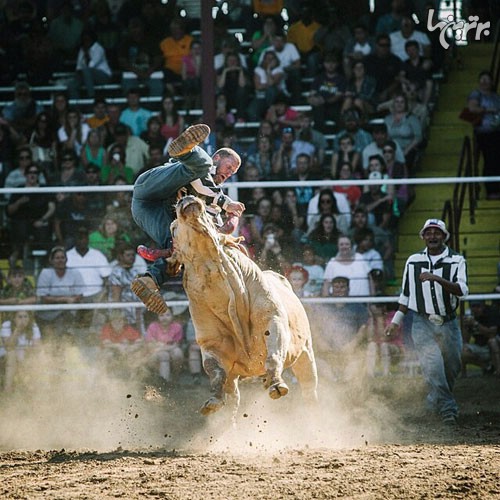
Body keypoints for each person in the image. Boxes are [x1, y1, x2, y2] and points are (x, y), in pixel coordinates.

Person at [130, 124, 245, 314]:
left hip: (148, 211)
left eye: (233, 172)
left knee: (181, 246)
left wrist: (227, 226)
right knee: (201, 166)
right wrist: (228, 205)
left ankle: (149, 281)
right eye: (229, 166)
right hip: (150, 188)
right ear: (218, 157)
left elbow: (212, 228)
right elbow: (201, 186)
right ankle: (186, 150)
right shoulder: (209, 174)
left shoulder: (215, 198)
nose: (229, 173)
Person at [385, 219, 468, 425]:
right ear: (423, 236)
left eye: (437, 233)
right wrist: (396, 322)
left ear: (444, 237)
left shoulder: (457, 261)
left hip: (448, 322)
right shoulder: (413, 261)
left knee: (452, 367)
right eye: (428, 233)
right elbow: (406, 295)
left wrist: (436, 278)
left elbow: (462, 290)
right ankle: (449, 409)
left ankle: (433, 400)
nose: (432, 236)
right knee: (433, 366)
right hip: (422, 322)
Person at [313, 275, 370, 382]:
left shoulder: (358, 306)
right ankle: (334, 383)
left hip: (350, 351)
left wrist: (352, 344)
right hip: (326, 352)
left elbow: (363, 328)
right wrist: (321, 343)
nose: (339, 290)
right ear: (332, 288)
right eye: (336, 287)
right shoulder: (323, 306)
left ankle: (345, 384)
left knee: (357, 362)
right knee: (316, 362)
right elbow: (314, 326)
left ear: (348, 289)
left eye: (343, 287)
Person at [35, 245, 85, 342]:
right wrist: (65, 299)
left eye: (62, 257)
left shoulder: (74, 272)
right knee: (49, 339)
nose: (60, 260)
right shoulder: (46, 273)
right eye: (57, 258)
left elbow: (80, 294)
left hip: (66, 312)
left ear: (66, 259)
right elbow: (44, 298)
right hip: (46, 314)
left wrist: (73, 299)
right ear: (52, 260)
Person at [465, 70, 500, 199]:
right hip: (484, 133)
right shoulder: (476, 94)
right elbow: (472, 109)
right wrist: (489, 110)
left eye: (487, 79)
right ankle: (491, 191)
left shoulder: (496, 97)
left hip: (496, 131)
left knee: (497, 161)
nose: (484, 82)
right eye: (482, 79)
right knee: (490, 161)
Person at [0, 310, 41, 392]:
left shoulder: (33, 326)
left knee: (37, 357)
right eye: (20, 317)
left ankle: (34, 389)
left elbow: (37, 347)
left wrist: (28, 353)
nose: (23, 319)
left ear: (29, 318)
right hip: (7, 356)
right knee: (12, 355)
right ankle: (7, 388)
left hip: (25, 355)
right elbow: (9, 347)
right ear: (14, 318)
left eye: (25, 316)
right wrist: (17, 330)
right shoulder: (7, 325)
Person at [66, 29, 112, 100]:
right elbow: (78, 67)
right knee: (71, 85)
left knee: (86, 70)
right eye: (84, 40)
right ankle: (75, 107)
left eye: (88, 39)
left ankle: (91, 97)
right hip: (86, 77)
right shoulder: (82, 49)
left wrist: (87, 54)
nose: (86, 41)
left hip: (103, 76)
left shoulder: (98, 48)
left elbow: (91, 65)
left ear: (92, 39)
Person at [144, 307, 185, 385]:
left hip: (163, 350)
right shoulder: (153, 326)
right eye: (161, 315)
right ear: (158, 317)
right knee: (164, 355)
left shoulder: (177, 327)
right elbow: (150, 346)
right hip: (154, 354)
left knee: (178, 352)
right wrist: (165, 348)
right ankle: (164, 383)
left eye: (167, 315)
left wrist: (161, 347)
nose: (164, 318)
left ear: (172, 316)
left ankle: (175, 377)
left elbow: (176, 345)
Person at [462, 300, 500, 377]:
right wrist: (465, 326)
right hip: (481, 347)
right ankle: (488, 367)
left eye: (478, 306)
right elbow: (465, 340)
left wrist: (476, 324)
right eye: (473, 306)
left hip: (495, 346)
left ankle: (498, 372)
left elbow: (492, 334)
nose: (476, 309)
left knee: (492, 342)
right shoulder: (470, 315)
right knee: (461, 351)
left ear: (483, 306)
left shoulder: (492, 312)